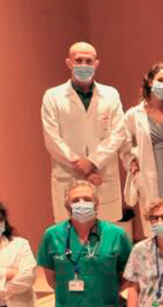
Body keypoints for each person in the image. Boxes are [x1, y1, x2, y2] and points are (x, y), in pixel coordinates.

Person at [96, 62, 163, 228]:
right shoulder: (133, 115)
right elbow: (125, 148)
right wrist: (135, 172)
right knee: (156, 225)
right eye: (161, 79)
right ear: (150, 81)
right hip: (150, 174)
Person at [41, 41, 124, 225]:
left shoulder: (111, 95)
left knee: (106, 238)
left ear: (96, 64)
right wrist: (80, 165)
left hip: (102, 175)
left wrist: (93, 161)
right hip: (68, 175)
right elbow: (52, 138)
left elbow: (118, 134)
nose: (84, 65)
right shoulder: (53, 96)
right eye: (79, 60)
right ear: (69, 63)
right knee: (70, 234)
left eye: (89, 61)